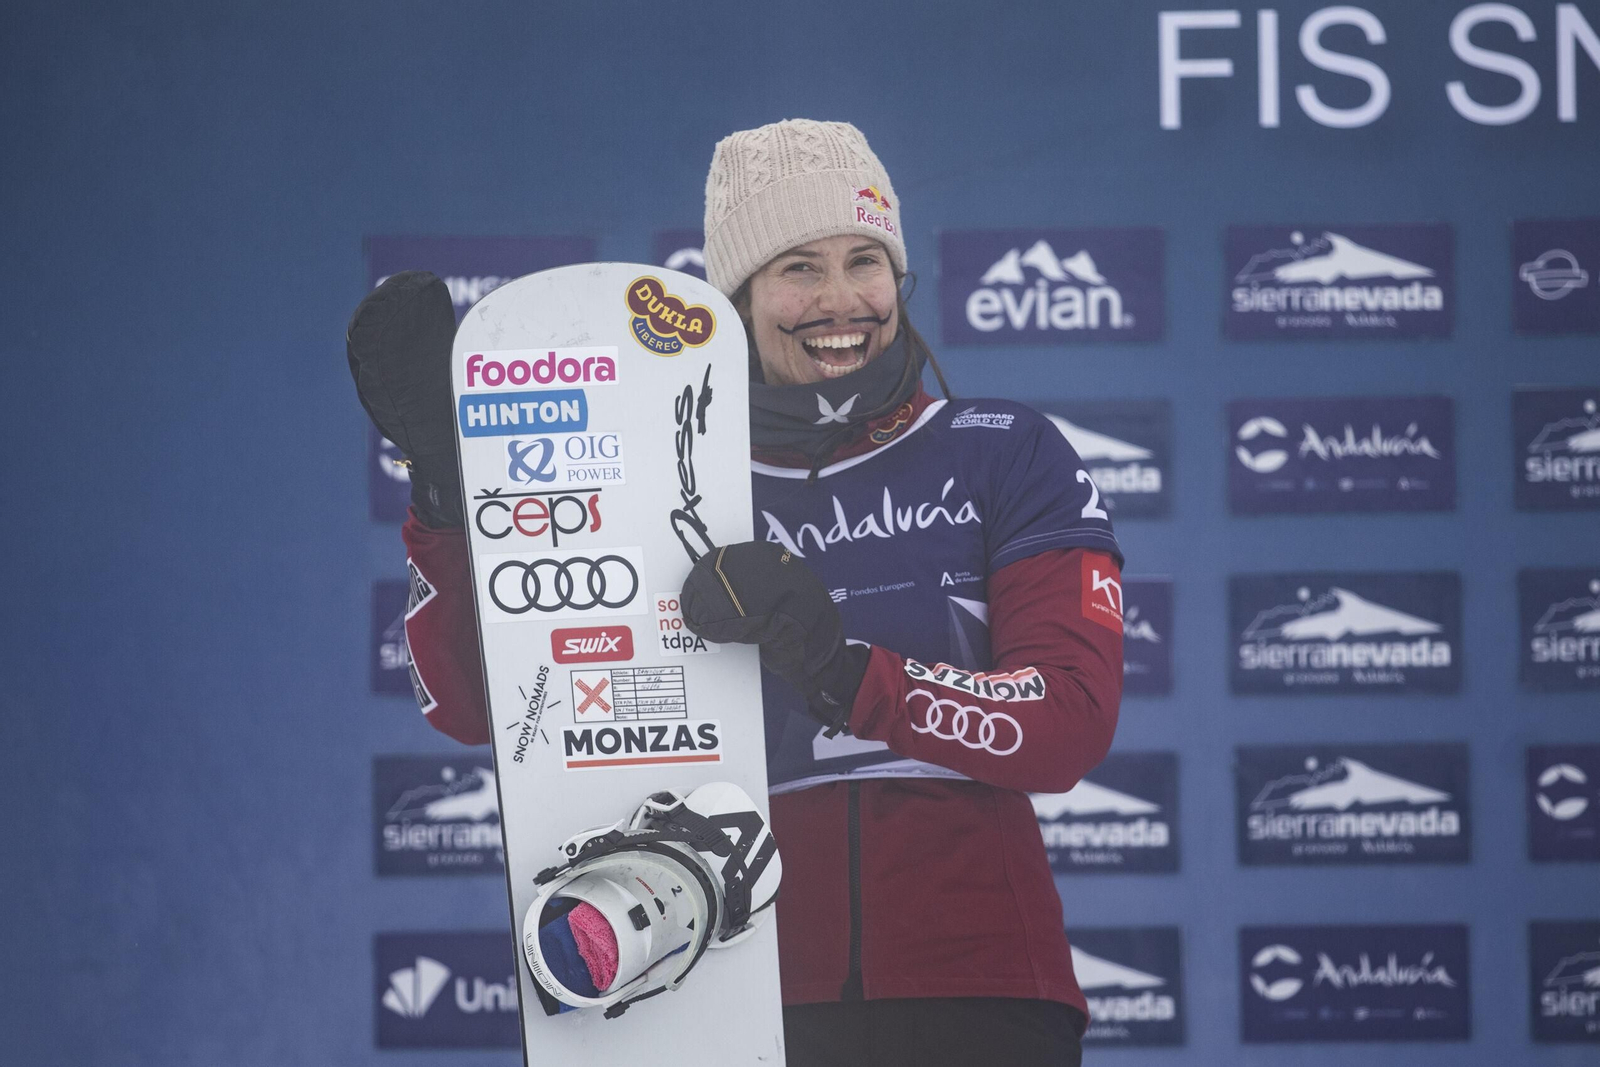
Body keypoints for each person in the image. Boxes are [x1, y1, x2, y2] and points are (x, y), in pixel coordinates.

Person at [348, 119, 1123, 1067]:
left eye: (865, 261)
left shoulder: (1003, 448)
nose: (842, 301)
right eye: (799, 267)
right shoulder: (653, 475)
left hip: (978, 983)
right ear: (737, 298)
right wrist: (445, 497)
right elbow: (478, 709)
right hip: (711, 979)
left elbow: (1068, 720)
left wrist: (846, 673)